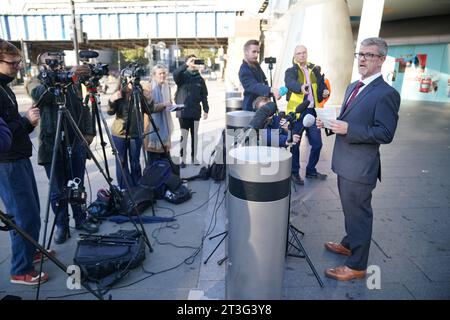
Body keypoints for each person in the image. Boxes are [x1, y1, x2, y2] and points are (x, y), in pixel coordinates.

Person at [317, 37, 400, 281]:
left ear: (382, 59)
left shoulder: (387, 93)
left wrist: (348, 129)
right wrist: (330, 125)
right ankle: (349, 242)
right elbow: (347, 119)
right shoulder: (354, 86)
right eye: (360, 54)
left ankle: (357, 265)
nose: (362, 59)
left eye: (369, 55)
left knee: (359, 214)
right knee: (349, 209)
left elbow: (385, 133)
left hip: (361, 167)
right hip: (345, 162)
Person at [30, 52, 97, 245]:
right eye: (49, 62)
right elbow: (41, 96)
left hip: (75, 140)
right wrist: (56, 80)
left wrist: (88, 132)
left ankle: (80, 219)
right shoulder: (35, 82)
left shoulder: (71, 81)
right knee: (57, 190)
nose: (55, 65)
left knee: (76, 184)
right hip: (52, 146)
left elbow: (83, 107)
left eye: (57, 61)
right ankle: (62, 225)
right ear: (41, 65)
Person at [0, 39, 48, 285]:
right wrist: (26, 121)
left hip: (18, 156)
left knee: (32, 210)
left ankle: (30, 250)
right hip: (7, 162)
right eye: (12, 62)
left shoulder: (5, 85)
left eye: (19, 61)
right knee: (22, 216)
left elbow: (8, 121)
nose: (18, 66)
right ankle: (20, 269)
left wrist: (23, 120)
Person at [284, 45, 329, 185]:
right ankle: (294, 173)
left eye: (304, 52)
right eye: (299, 53)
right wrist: (300, 87)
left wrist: (325, 91)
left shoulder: (314, 69)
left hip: (312, 111)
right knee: (295, 143)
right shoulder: (291, 71)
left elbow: (321, 85)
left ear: (307, 53)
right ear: (295, 56)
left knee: (317, 144)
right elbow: (290, 82)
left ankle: (311, 170)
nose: (302, 55)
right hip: (297, 113)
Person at [107, 77, 152, 188]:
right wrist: (111, 101)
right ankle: (125, 187)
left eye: (134, 78)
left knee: (135, 161)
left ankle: (137, 186)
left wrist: (149, 99)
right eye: (129, 79)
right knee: (121, 162)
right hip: (119, 134)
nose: (132, 81)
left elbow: (149, 110)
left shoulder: (139, 93)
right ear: (124, 81)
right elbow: (110, 112)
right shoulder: (119, 94)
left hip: (136, 133)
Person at [173, 54, 209, 167]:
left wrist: (206, 109)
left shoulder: (200, 79)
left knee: (195, 136)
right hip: (183, 112)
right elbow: (175, 74)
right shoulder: (182, 77)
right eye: (192, 61)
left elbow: (204, 95)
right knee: (184, 136)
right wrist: (186, 64)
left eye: (196, 61)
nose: (194, 63)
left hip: (195, 112)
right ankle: (183, 159)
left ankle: (194, 158)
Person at [238, 39, 280, 111]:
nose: (257, 55)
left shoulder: (255, 65)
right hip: (251, 108)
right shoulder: (244, 70)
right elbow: (254, 86)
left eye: (258, 52)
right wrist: (271, 89)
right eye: (254, 52)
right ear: (246, 52)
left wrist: (273, 93)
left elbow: (263, 82)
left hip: (261, 106)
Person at [144, 64, 173, 165]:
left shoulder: (166, 86)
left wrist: (172, 106)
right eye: (160, 73)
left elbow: (169, 102)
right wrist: (164, 105)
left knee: (165, 160)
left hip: (165, 128)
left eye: (164, 73)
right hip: (152, 130)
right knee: (153, 162)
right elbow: (148, 108)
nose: (162, 75)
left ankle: (165, 179)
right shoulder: (148, 88)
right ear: (154, 75)